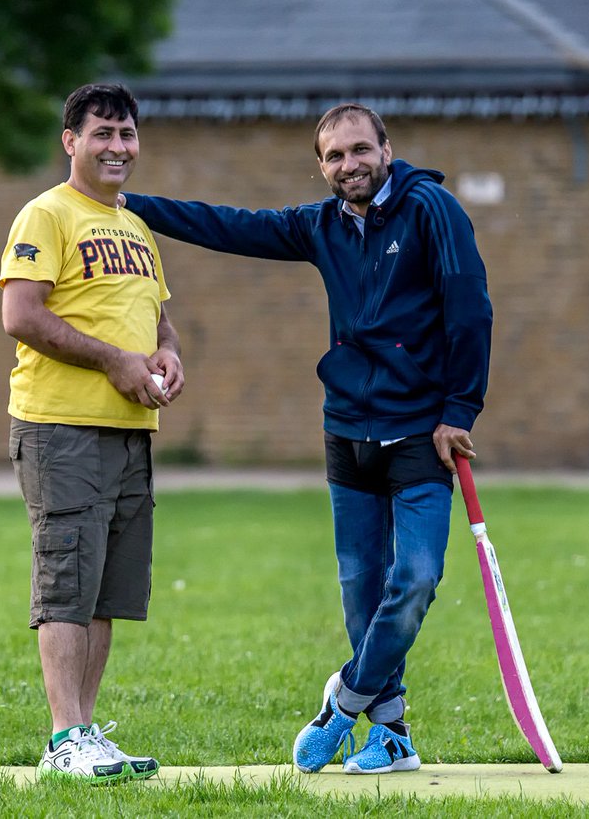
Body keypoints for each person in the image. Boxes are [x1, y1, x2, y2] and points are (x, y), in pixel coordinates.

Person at [121, 103, 492, 775]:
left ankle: (344, 704)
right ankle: (393, 734)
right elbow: (228, 225)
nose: (348, 165)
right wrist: (128, 204)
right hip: (346, 430)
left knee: (414, 579)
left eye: (359, 150)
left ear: (387, 148)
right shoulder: (321, 226)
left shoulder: (432, 208)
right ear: (321, 167)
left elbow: (471, 308)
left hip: (418, 434)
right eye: (334, 156)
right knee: (361, 586)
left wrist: (459, 410)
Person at [0, 83, 183, 784]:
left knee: (105, 589)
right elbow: (21, 314)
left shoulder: (134, 226)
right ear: (70, 141)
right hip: (61, 426)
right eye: (102, 133)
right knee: (67, 581)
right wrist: (112, 359)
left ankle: (85, 735)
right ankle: (64, 735)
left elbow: (154, 320)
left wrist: (167, 353)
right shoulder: (47, 214)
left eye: (127, 133)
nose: (117, 146)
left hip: (129, 429)